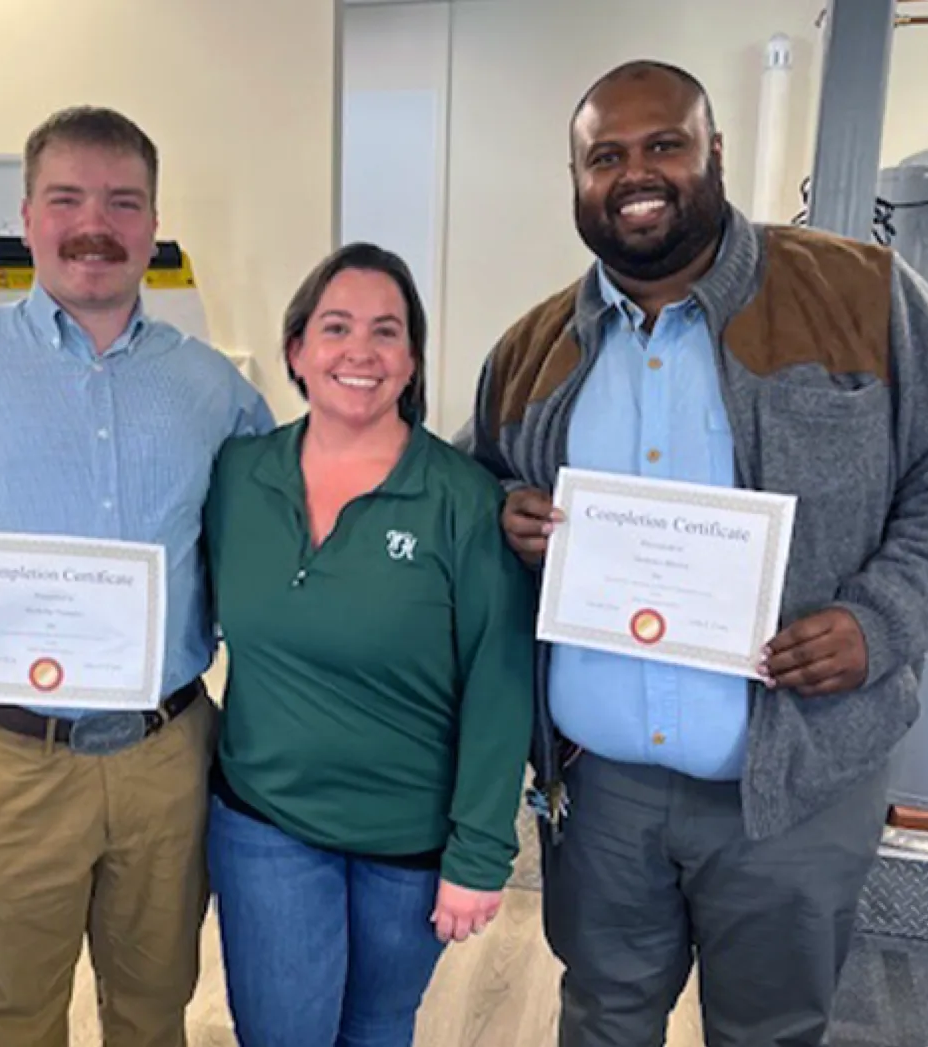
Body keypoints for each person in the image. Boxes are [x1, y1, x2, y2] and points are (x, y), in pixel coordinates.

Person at [463, 60, 928, 1047]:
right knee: (605, 1019)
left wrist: (880, 625)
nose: (636, 172)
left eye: (665, 144)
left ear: (715, 156)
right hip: (602, 790)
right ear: (575, 181)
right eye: (604, 156)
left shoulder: (859, 295)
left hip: (794, 788)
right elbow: (467, 484)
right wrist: (501, 511)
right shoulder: (535, 349)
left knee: (772, 1030)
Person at [0, 105, 273, 1047]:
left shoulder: (215, 390)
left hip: (168, 755)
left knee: (155, 1011)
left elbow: (269, 538)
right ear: (26, 216)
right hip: (6, 761)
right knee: (15, 1015)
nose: (94, 224)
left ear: (153, 226)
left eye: (123, 201)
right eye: (66, 197)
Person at [203, 241, 535, 1047]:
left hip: (410, 840)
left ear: (412, 359)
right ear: (297, 350)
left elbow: (500, 681)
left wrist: (479, 853)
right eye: (336, 327)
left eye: (386, 331)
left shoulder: (461, 500)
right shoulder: (237, 476)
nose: (360, 351)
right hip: (266, 820)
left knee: (377, 1029)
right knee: (281, 1033)